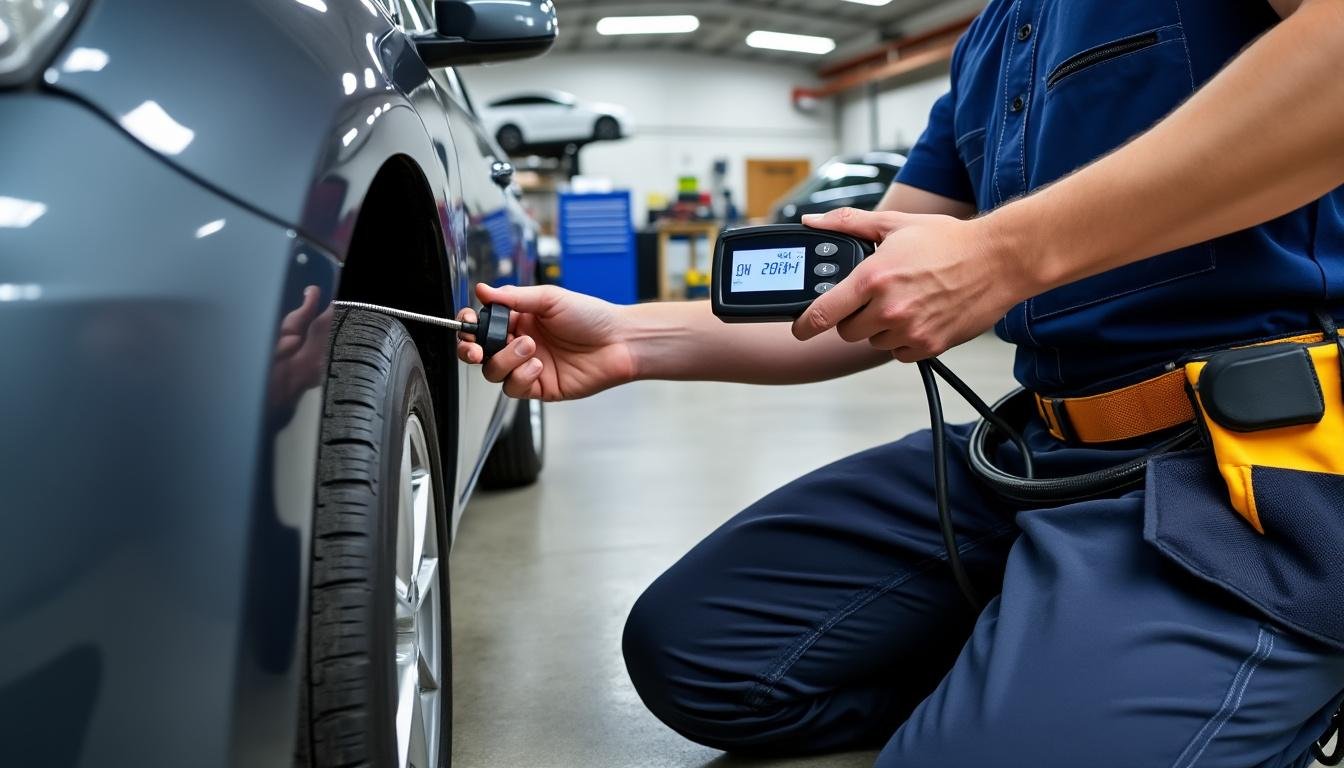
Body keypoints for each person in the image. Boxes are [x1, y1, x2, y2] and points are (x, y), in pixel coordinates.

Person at [455, 0, 1344, 764]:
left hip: (1253, 473)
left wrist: (1001, 254)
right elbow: (860, 296)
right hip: (1040, 451)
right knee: (697, 653)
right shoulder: (996, 36)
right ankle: (1049, 670)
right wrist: (628, 338)